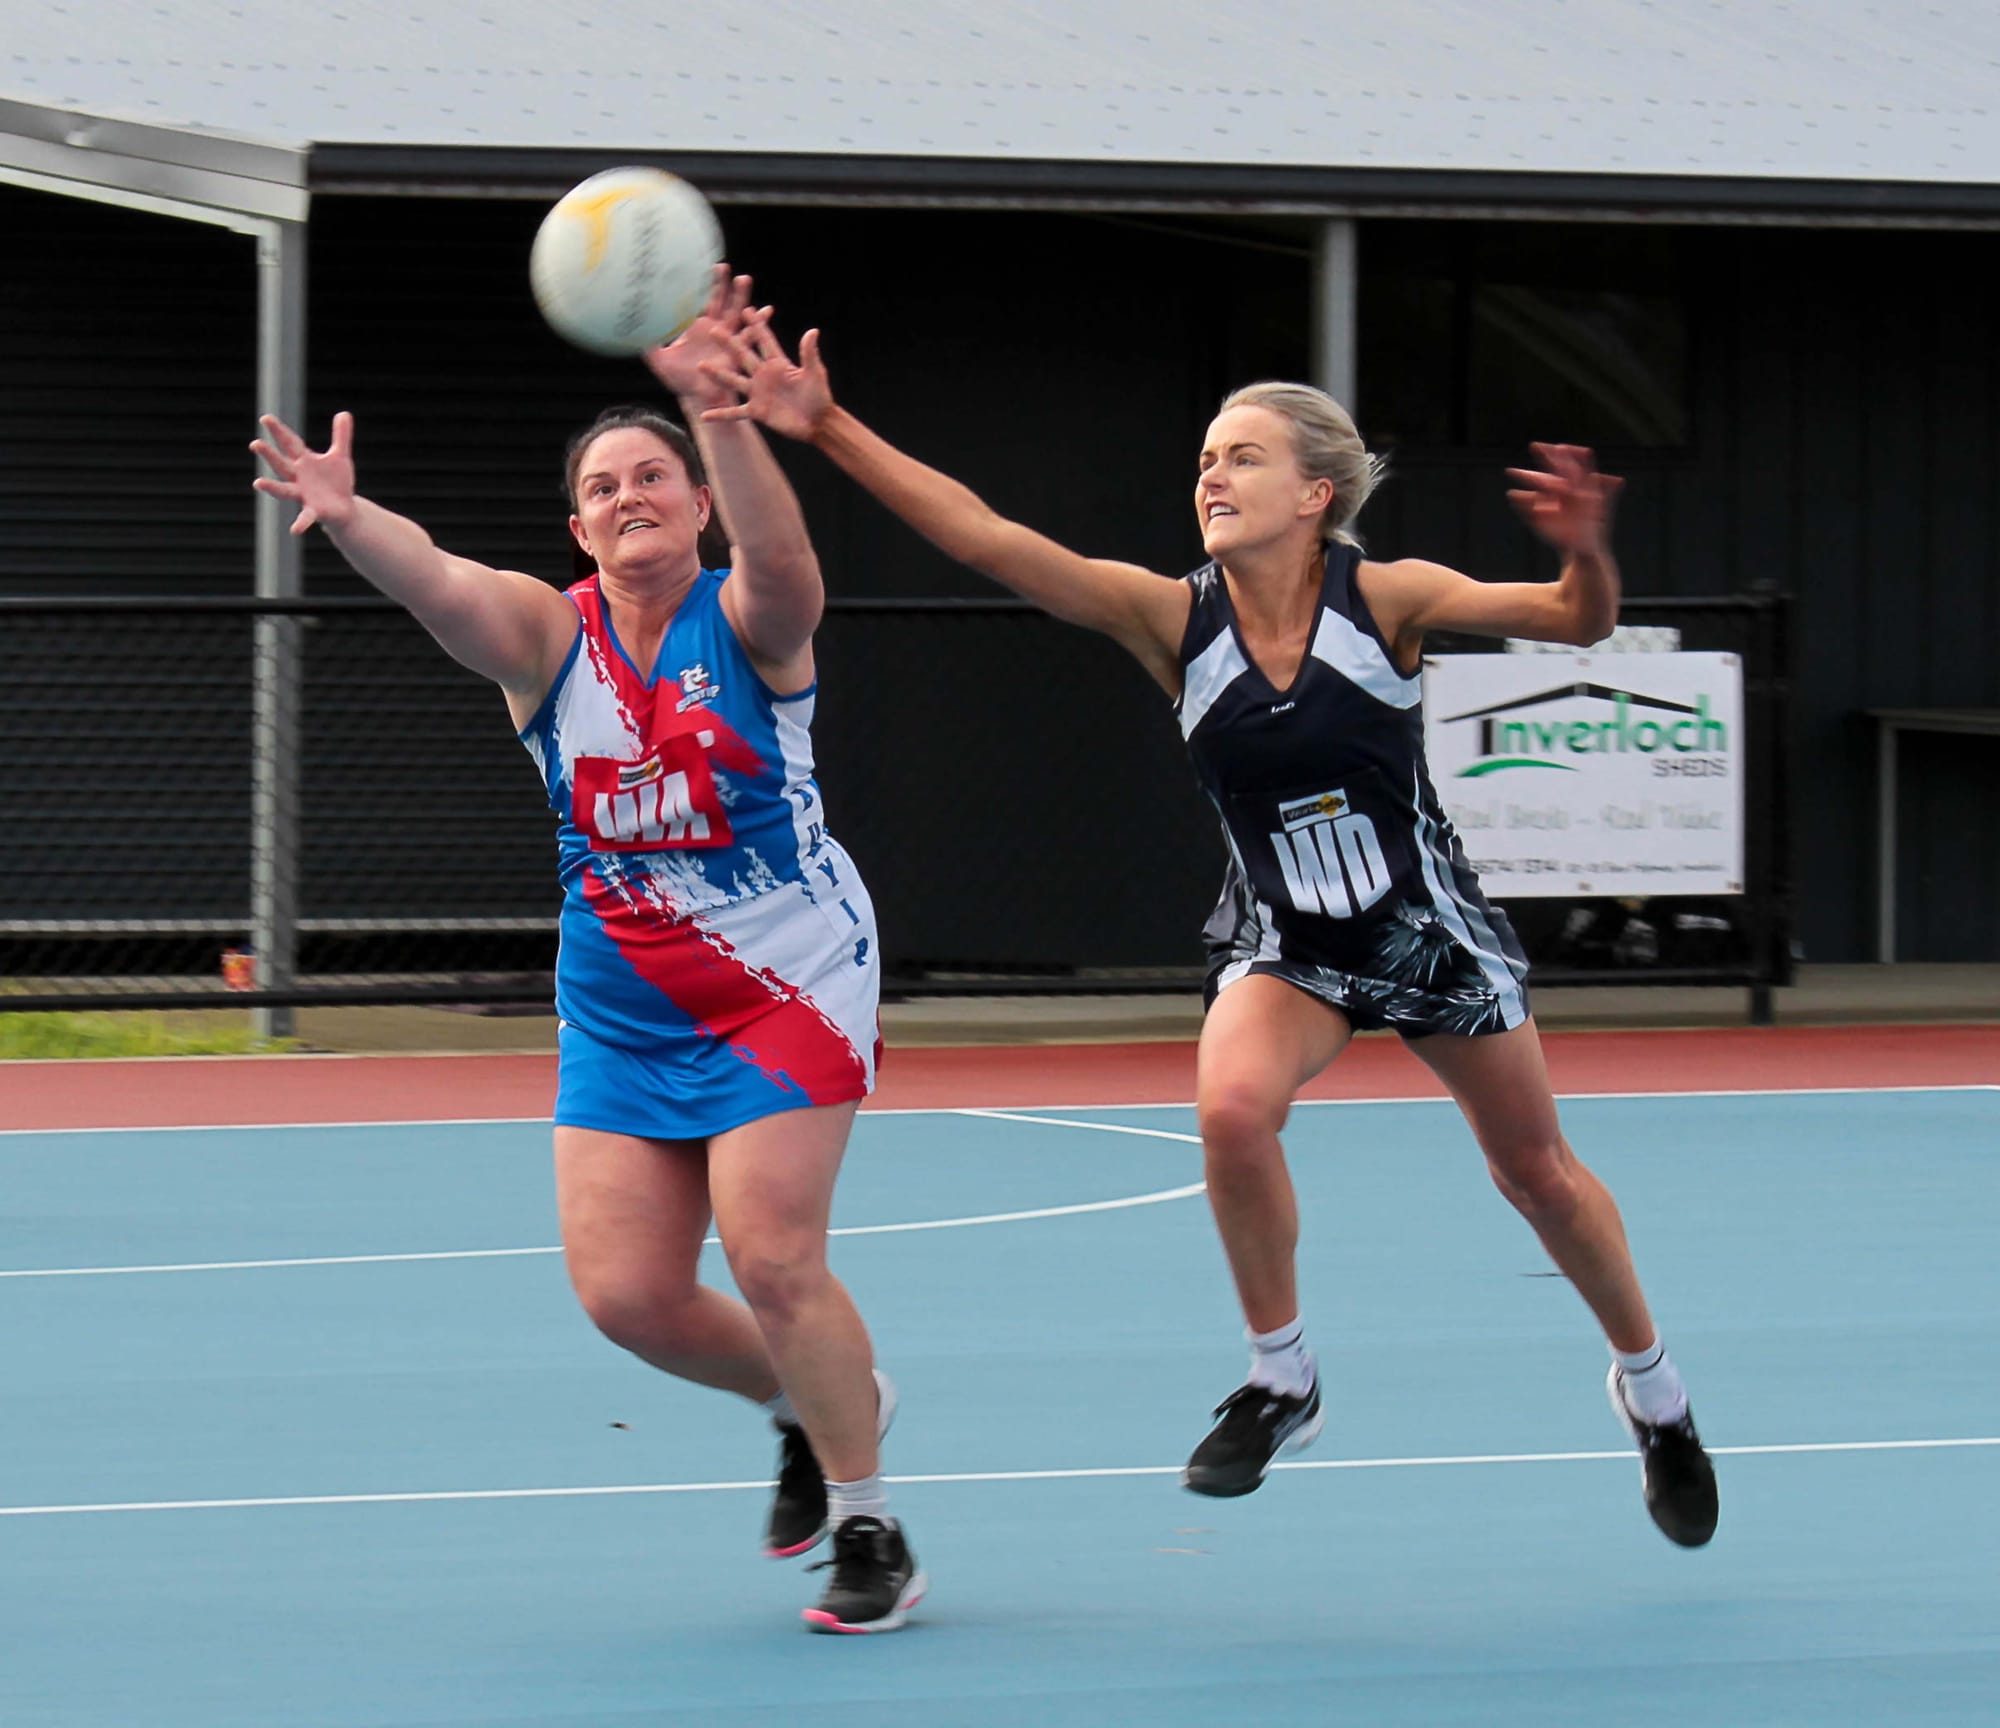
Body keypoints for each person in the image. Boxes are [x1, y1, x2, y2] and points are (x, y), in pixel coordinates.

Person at [696, 314, 1719, 1549]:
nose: (1210, 478)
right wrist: (824, 426)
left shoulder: (1384, 599)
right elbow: (989, 537)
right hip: (1285, 944)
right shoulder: (1171, 621)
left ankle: (1652, 1395)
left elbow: (1576, 621)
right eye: (1202, 460)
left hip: (1421, 933)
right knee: (1229, 1109)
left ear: (1314, 493)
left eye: (1239, 457)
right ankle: (1280, 1376)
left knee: (1535, 1178)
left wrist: (1588, 552)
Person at [249, 269, 926, 1632]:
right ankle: (809, 1398)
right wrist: (348, 517)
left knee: (772, 1253)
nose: (633, 495)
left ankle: (872, 1528)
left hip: (786, 976)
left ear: (693, 502)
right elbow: (439, 582)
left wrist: (719, 414)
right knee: (627, 1297)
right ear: (581, 523)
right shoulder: (545, 642)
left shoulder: (749, 623)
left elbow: (790, 572)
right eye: (608, 484)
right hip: (622, 1003)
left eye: (657, 475)